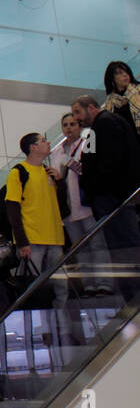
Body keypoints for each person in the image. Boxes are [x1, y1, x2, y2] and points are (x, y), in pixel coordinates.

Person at [72, 95, 140, 299]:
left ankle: (133, 293)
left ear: (91, 108)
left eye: (78, 112)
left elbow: (111, 161)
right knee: (117, 246)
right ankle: (130, 293)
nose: (77, 118)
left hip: (112, 197)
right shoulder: (94, 130)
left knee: (123, 245)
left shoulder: (106, 124)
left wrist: (95, 185)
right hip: (107, 197)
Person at [50, 112, 113, 296]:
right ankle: (89, 285)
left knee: (98, 246)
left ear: (79, 127)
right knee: (81, 249)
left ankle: (104, 283)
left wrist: (72, 164)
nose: (69, 128)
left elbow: (91, 169)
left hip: (86, 205)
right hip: (68, 209)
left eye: (73, 124)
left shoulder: (87, 144)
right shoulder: (57, 152)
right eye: (65, 125)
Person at [5, 134, 69, 312]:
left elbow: (61, 205)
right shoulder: (18, 172)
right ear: (33, 147)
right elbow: (13, 209)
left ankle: (61, 327)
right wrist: (22, 241)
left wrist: (60, 182)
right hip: (32, 240)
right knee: (32, 287)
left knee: (61, 288)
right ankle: (40, 326)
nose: (48, 143)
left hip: (55, 238)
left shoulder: (49, 172)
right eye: (43, 141)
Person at [102, 60, 140, 137]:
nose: (125, 75)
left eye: (126, 72)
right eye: (119, 73)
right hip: (125, 143)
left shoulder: (138, 91)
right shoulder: (110, 102)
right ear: (112, 78)